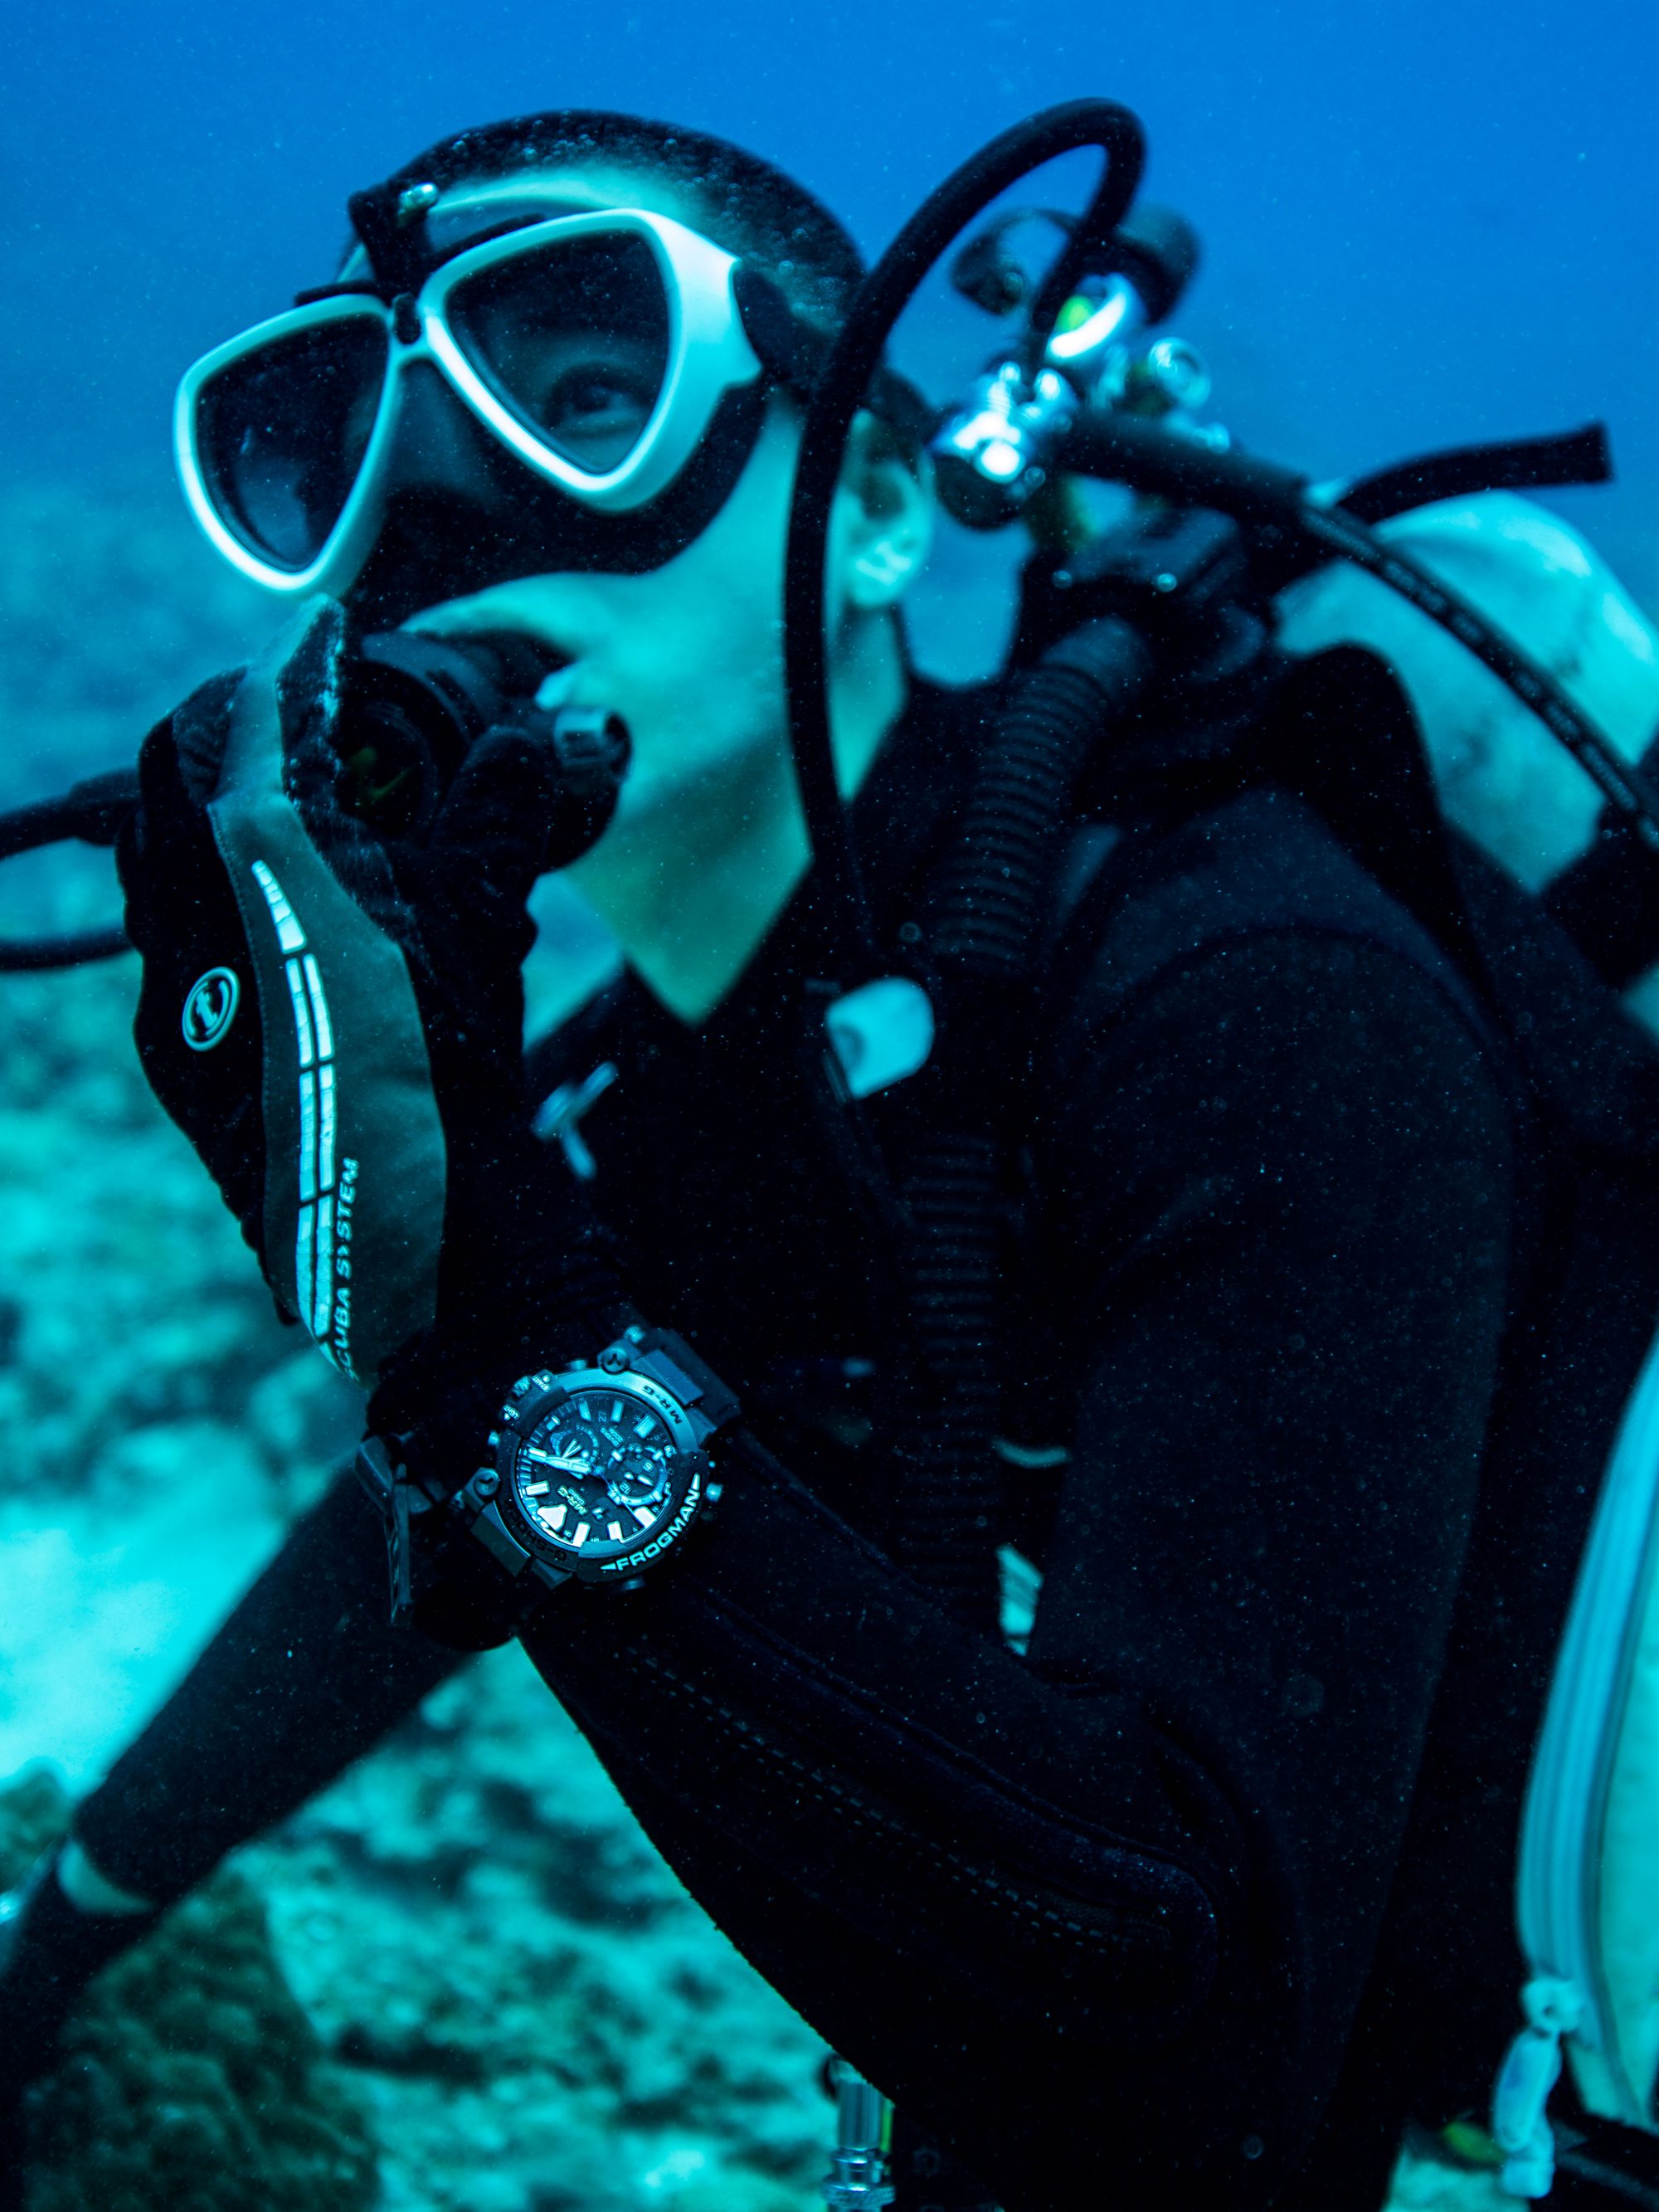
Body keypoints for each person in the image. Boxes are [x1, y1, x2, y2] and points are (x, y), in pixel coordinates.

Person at [4, 105, 1657, 2212]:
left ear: (877, 505)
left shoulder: (1246, 988)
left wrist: (481, 1329)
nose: (429, 518)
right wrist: (56, 1944)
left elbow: (1192, 2101)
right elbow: (382, 1570)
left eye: (577, 393)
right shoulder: (678, 1096)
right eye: (339, 458)